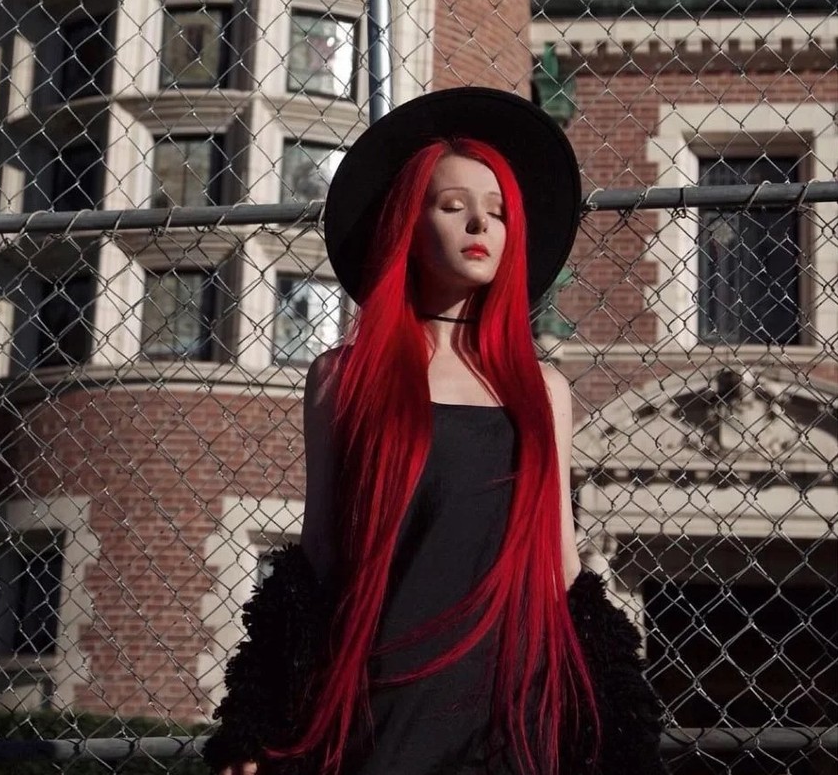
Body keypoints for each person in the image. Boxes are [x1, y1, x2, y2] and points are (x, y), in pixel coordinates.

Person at [204, 87, 666, 775]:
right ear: (409, 227)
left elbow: (563, 564)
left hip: (511, 709)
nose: (480, 222)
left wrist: (622, 728)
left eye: (498, 212)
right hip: (375, 698)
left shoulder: (543, 390)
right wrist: (256, 714)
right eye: (453, 206)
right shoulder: (342, 377)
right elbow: (319, 550)